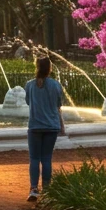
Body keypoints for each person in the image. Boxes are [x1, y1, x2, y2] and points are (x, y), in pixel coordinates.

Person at [25, 57, 66, 202]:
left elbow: (28, 102)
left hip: (35, 125)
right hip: (51, 126)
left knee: (34, 158)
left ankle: (34, 189)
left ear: (36, 67)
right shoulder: (55, 85)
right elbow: (59, 104)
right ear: (50, 68)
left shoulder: (30, 85)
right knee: (47, 158)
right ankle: (47, 190)